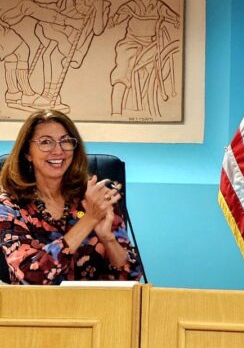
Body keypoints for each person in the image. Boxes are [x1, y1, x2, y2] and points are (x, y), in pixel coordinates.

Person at [0, 110, 142, 284]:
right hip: (36, 309)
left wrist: (108, 238)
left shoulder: (94, 198)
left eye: (66, 141)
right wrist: (89, 220)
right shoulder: (9, 206)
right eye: (46, 142)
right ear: (27, 153)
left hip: (97, 308)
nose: (58, 151)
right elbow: (30, 277)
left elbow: (131, 276)